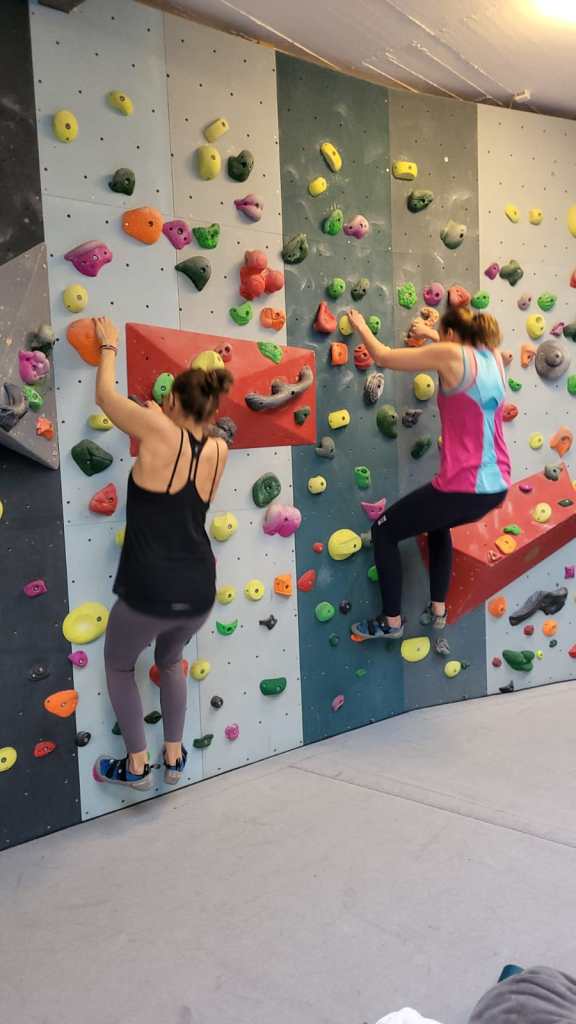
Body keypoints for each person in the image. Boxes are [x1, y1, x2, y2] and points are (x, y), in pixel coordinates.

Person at [90, 317, 231, 790]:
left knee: (119, 665)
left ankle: (136, 766)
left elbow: (106, 398)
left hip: (150, 588)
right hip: (199, 590)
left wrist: (109, 346)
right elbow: (185, 462)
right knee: (170, 662)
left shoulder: (155, 428)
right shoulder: (219, 449)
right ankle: (173, 757)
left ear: (172, 400)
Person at [348, 307, 510, 640]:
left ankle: (391, 622)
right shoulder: (493, 357)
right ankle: (438, 609)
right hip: (497, 486)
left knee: (384, 531)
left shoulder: (450, 354)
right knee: (438, 522)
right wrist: (430, 333)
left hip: (463, 485)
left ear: (450, 335)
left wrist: (360, 324)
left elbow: (384, 356)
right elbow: (459, 351)